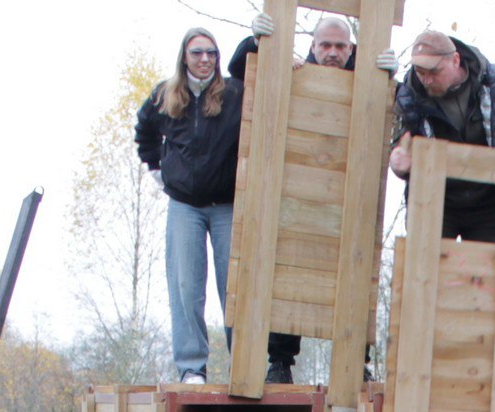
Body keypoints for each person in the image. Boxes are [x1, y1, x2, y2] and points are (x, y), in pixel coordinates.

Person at [227, 13, 397, 384]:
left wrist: (390, 77)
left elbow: (399, 106)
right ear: (313, 46)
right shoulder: (294, 70)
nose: (333, 52)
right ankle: (280, 362)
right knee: (285, 271)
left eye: (340, 46)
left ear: (351, 48)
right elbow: (240, 69)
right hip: (295, 190)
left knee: (355, 273)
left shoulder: (367, 79)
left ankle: (357, 361)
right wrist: (256, 42)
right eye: (325, 45)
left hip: (347, 194)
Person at [136, 28, 244, 384]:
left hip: (227, 204)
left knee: (235, 286)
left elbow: (249, 59)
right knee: (185, 285)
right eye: (197, 53)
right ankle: (192, 368)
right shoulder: (165, 94)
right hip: (185, 206)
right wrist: (157, 170)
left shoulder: (234, 93)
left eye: (211, 53)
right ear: (184, 56)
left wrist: (257, 39)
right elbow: (144, 131)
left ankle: (243, 366)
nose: (205, 59)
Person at [389, 31, 495, 243]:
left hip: (489, 201)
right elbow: (399, 143)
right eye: (420, 72)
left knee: (492, 262)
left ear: (455, 60)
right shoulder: (408, 97)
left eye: (434, 72)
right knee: (422, 260)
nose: (426, 80)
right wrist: (398, 159)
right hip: (434, 199)